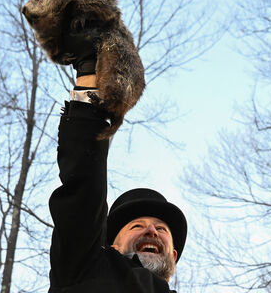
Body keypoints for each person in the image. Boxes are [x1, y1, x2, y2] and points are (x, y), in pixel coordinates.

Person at [48, 33, 187, 293]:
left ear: (174, 256)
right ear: (112, 246)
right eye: (136, 225)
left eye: (161, 228)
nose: (151, 231)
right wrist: (91, 74)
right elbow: (83, 193)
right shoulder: (86, 270)